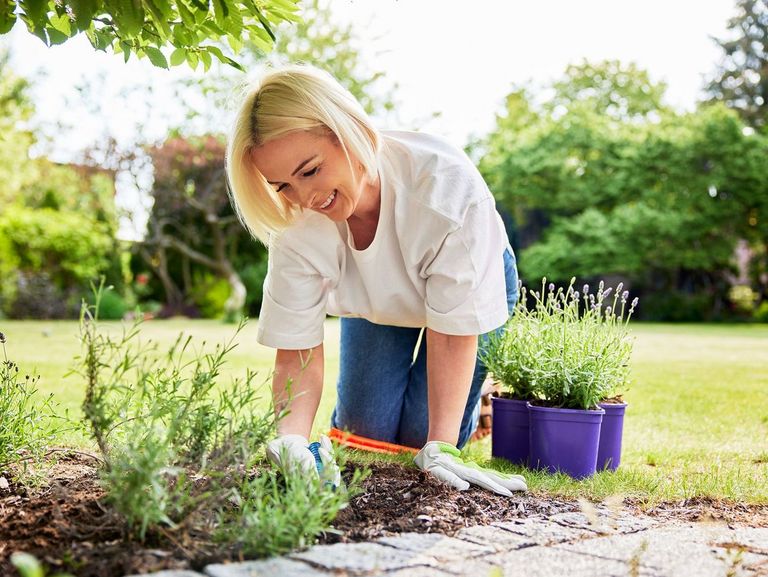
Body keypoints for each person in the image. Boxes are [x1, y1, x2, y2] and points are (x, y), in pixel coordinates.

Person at [225, 65, 526, 496]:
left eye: (309, 171)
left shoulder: (446, 192)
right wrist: (290, 439)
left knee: (422, 439)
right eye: (282, 186)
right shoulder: (296, 223)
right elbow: (296, 350)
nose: (305, 198)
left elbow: (452, 335)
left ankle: (475, 404)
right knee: (367, 435)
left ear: (348, 131)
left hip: (472, 286)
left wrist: (440, 446)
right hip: (375, 297)